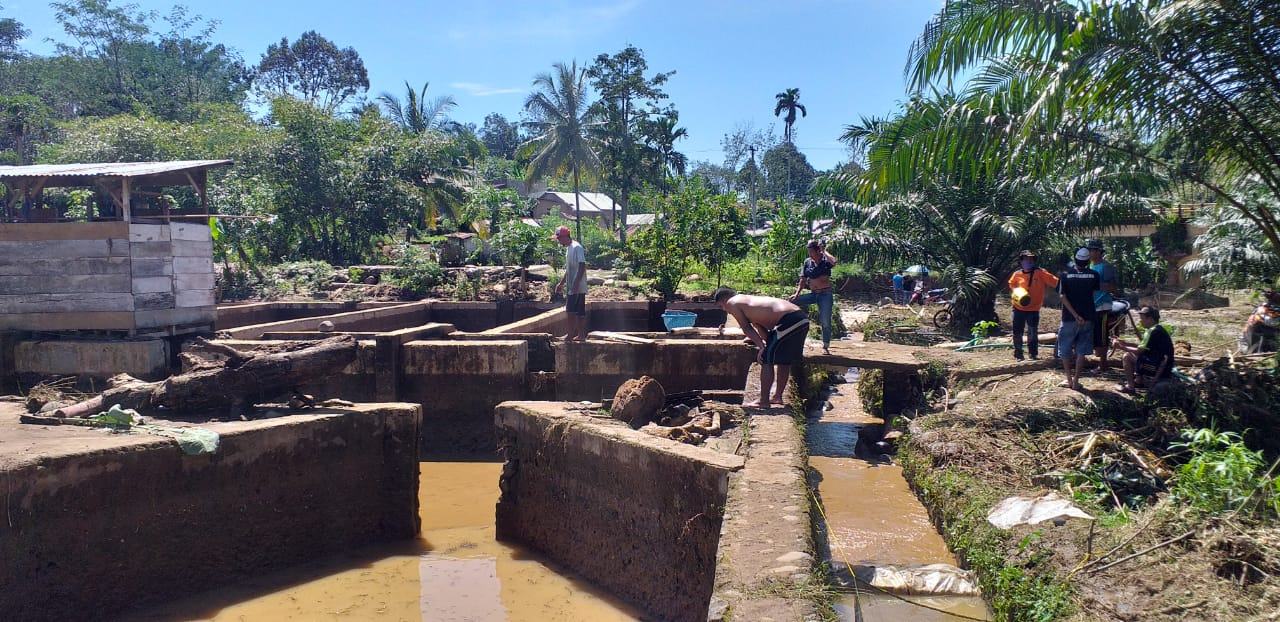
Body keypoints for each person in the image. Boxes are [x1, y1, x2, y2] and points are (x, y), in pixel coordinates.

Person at [714, 286, 807, 408]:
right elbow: (760, 328)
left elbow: (746, 328)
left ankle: (764, 401)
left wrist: (762, 349)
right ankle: (777, 397)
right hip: (801, 319)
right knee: (784, 360)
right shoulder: (749, 303)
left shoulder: (732, 302)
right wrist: (766, 345)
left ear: (725, 299)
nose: (725, 310)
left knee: (766, 359)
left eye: (722, 306)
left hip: (788, 320)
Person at [1057, 248, 1101, 390]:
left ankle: (1069, 380)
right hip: (1088, 317)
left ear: (1075, 260)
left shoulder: (1065, 275)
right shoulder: (1094, 275)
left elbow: (1062, 297)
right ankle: (1076, 381)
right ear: (1088, 261)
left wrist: (1075, 315)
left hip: (1069, 318)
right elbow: (1093, 293)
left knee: (1065, 347)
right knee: (1082, 349)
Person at [1006, 250, 1060, 361]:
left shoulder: (1040, 273)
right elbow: (1011, 285)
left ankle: (1033, 354)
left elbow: (1055, 282)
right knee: (1017, 332)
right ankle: (1018, 354)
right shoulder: (1016, 274)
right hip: (1018, 308)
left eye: (1031, 259)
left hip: (1034, 309)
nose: (1029, 261)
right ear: (1021, 261)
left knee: (1032, 332)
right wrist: (1017, 292)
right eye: (1026, 259)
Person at [790, 239, 838, 354]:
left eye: (811, 251)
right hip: (813, 294)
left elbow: (834, 262)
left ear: (817, 251)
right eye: (809, 251)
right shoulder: (807, 262)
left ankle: (825, 345)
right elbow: (803, 279)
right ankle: (795, 328)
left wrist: (824, 250)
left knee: (825, 321)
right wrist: (797, 294)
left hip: (825, 294)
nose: (809, 253)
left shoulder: (825, 260)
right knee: (791, 302)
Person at [1112, 306, 1175, 393]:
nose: (1140, 321)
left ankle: (1130, 387)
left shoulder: (1151, 331)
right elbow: (1143, 347)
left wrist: (1121, 347)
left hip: (1158, 368)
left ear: (1150, 319)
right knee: (1139, 356)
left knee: (1127, 356)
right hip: (1164, 366)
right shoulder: (1157, 329)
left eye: (1142, 318)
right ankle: (1138, 381)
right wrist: (1125, 343)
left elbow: (1139, 351)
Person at [1086, 239, 1120, 373]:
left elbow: (1113, 286)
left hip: (1102, 305)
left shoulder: (1105, 267)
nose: (1089, 253)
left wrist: (1096, 286)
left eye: (1091, 250)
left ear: (1099, 251)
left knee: (1102, 335)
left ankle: (1103, 364)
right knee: (1094, 334)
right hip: (1092, 305)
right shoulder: (1091, 267)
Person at [551, 225, 588, 342]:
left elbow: (582, 266)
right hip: (574, 285)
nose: (559, 241)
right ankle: (580, 335)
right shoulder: (569, 248)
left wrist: (576, 284)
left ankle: (570, 335)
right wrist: (561, 283)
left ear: (566, 236)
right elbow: (569, 269)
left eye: (559, 238)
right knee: (578, 310)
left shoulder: (577, 247)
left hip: (577, 285)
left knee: (571, 310)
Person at [1240, 287, 1280, 354]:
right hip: (1272, 308)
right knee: (1254, 317)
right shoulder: (1275, 288)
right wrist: (1268, 291)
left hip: (1276, 312)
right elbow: (1269, 292)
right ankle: (1244, 338)